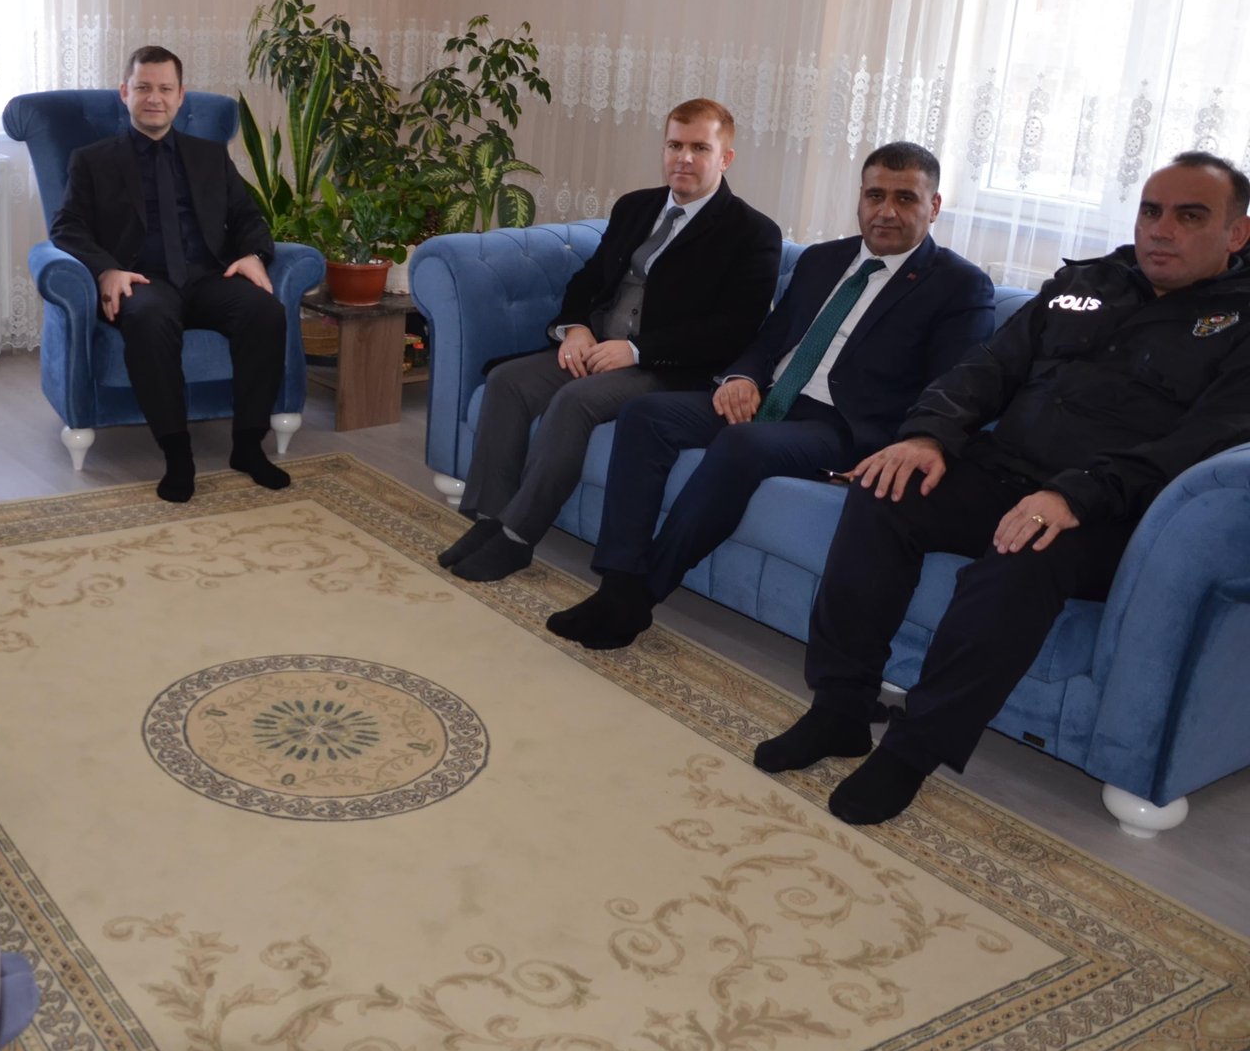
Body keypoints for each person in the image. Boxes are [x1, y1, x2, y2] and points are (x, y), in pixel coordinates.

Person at [755, 152, 1250, 825]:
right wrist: (928, 435)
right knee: (882, 490)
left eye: (1190, 217)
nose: (1161, 230)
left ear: (1236, 233)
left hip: (1106, 512)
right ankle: (840, 708)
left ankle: (912, 749)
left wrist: (1076, 494)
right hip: (1001, 469)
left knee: (1020, 559)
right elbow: (986, 368)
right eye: (1151, 211)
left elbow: (1201, 444)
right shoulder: (1087, 282)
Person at [551, 143, 995, 649]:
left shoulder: (960, 287)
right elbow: (770, 338)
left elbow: (950, 388)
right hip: (770, 399)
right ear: (860, 198)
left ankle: (640, 595)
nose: (886, 211)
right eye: (875, 195)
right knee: (645, 415)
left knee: (742, 445)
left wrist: (908, 444)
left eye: (905, 198)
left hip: (843, 427)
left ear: (933, 206)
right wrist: (740, 378)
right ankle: (617, 580)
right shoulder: (823, 260)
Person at [437, 99, 784, 582]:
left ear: (725, 158)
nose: (683, 158)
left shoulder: (753, 233)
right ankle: (489, 520)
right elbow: (589, 279)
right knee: (508, 382)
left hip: (670, 369)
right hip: (599, 347)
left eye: (699, 148)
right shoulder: (635, 207)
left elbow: (734, 328)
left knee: (575, 401)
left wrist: (639, 350)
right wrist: (575, 328)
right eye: (674, 145)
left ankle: (517, 538)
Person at [48, 45, 291, 503]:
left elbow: (247, 216)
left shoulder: (210, 155)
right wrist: (106, 270)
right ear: (125, 93)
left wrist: (253, 254)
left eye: (165, 88)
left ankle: (247, 447)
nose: (154, 98)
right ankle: (177, 455)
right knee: (149, 318)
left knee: (265, 312)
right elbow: (67, 226)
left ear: (181, 96)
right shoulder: (93, 160)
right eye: (143, 87)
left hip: (207, 277)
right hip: (142, 279)